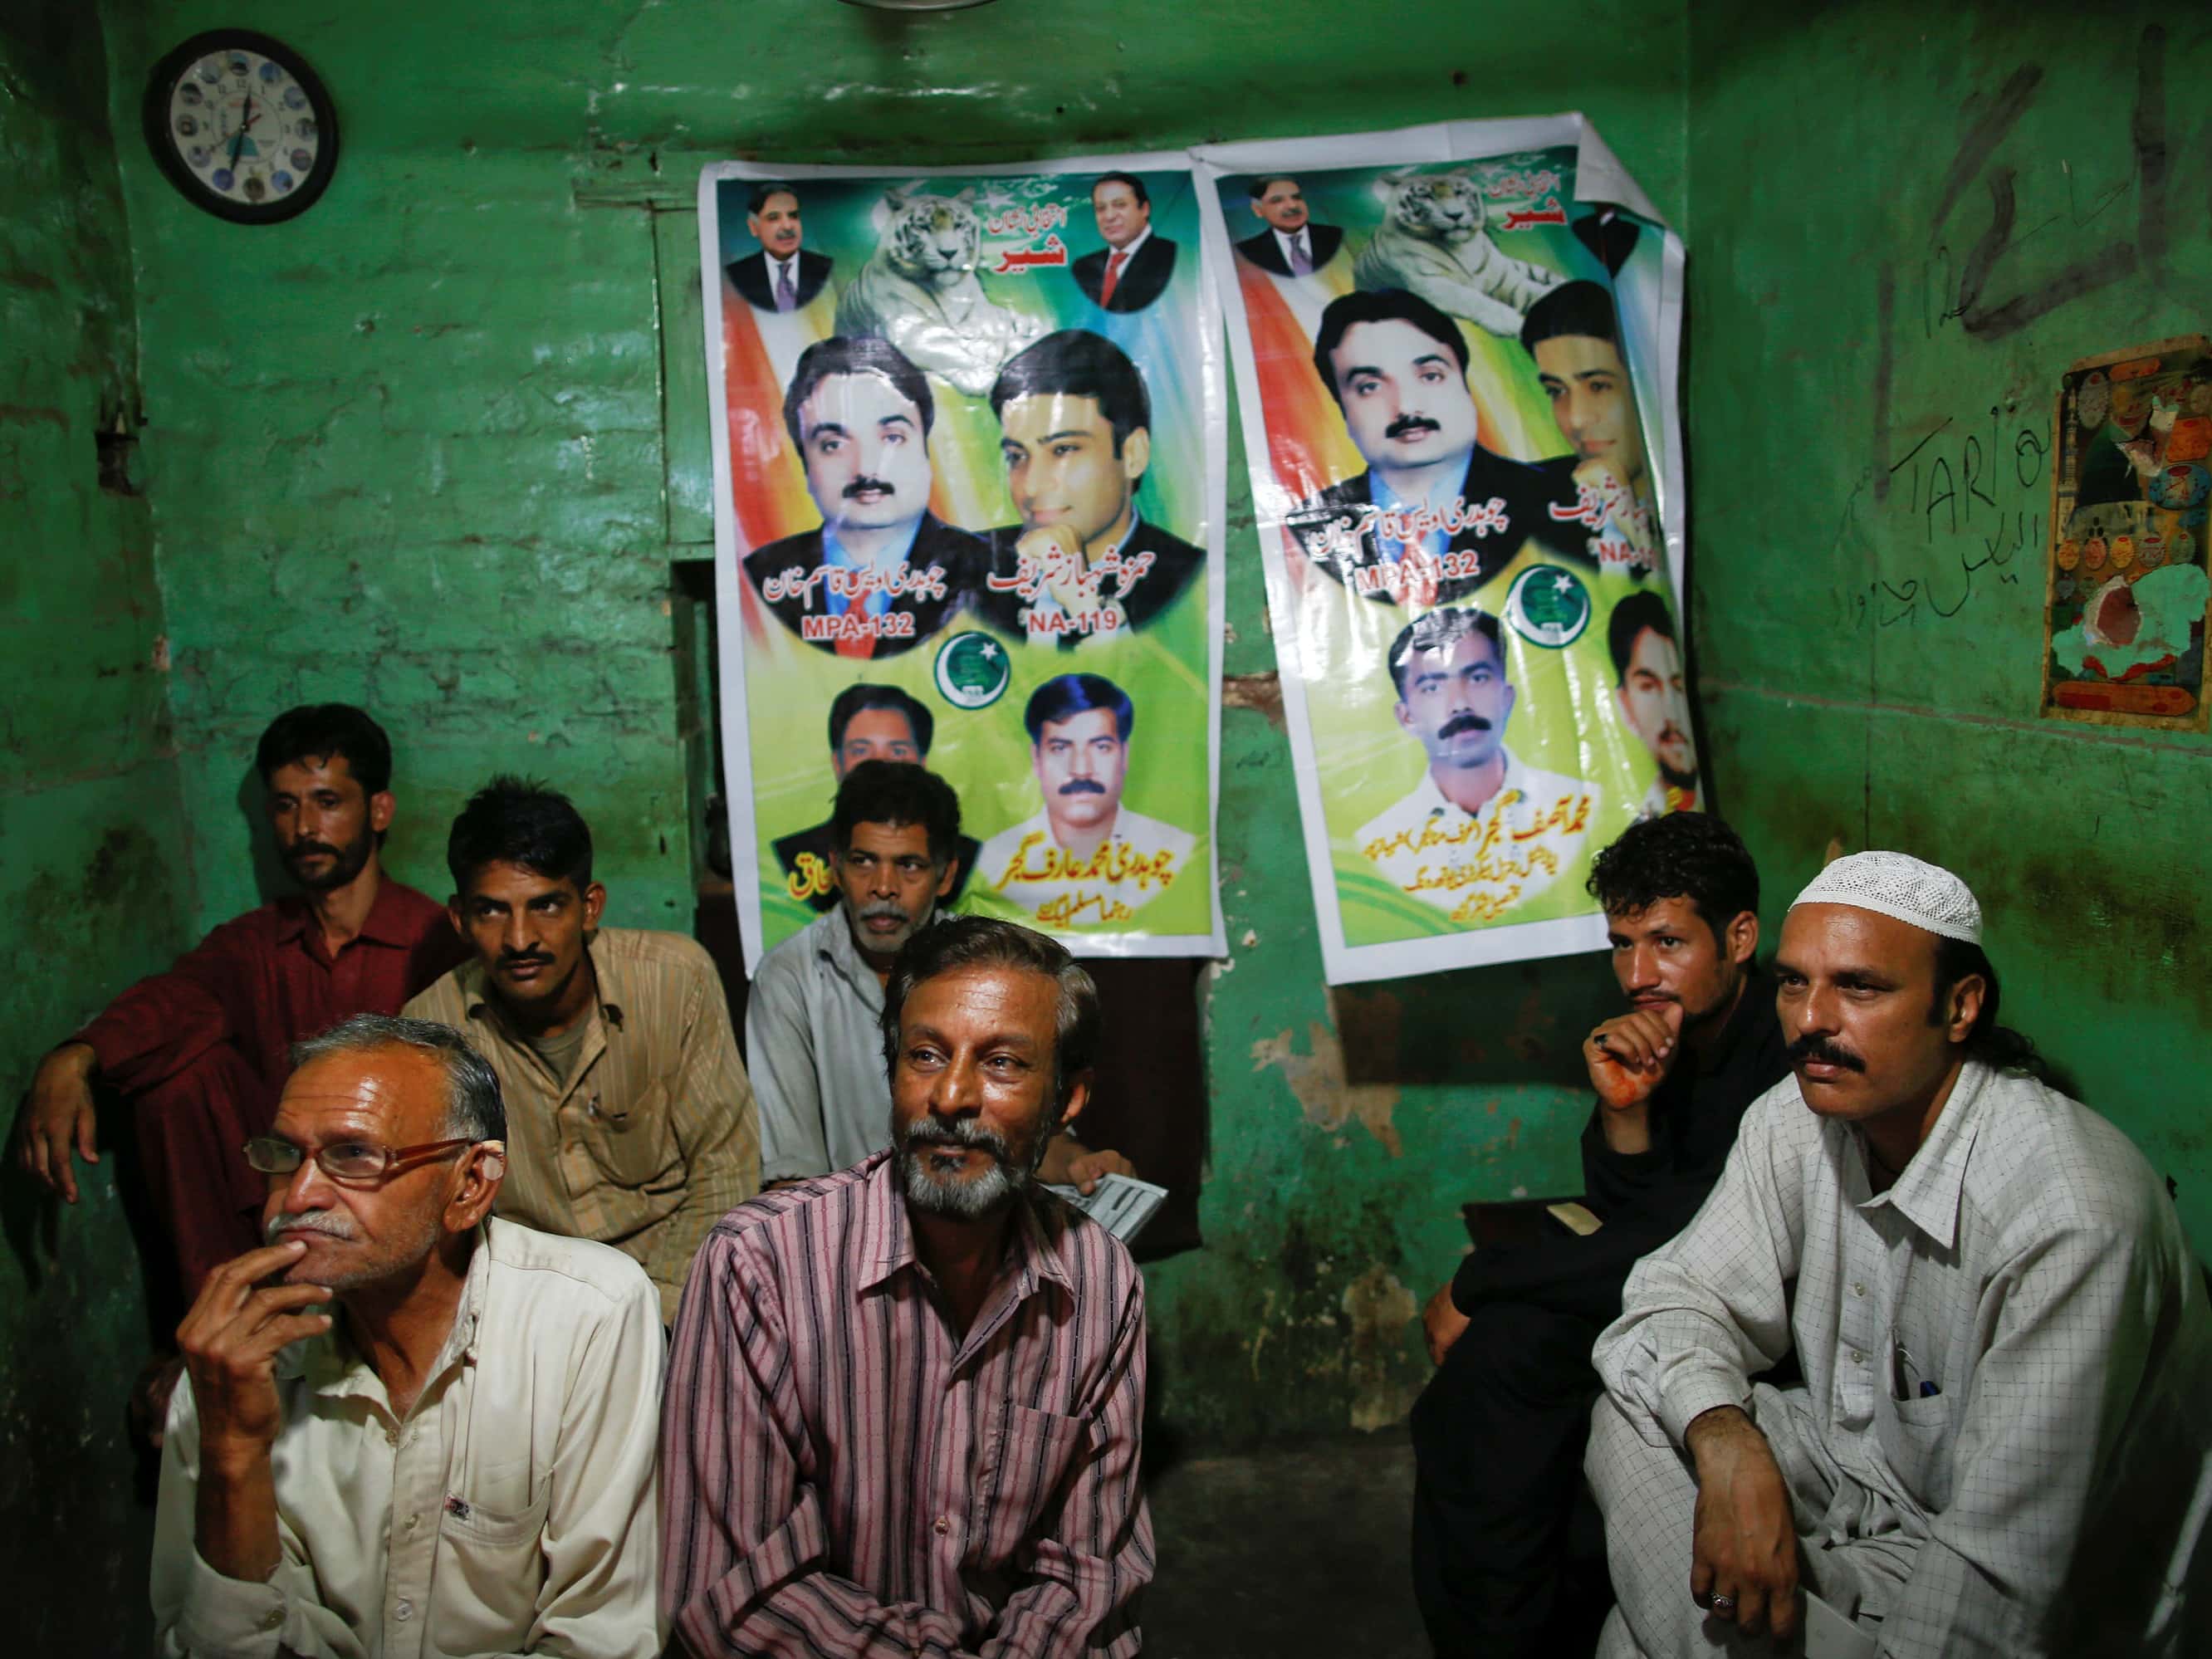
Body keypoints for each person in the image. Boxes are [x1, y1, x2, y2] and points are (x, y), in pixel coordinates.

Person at [1589, 852, 2212, 1657]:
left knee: (1633, 1640)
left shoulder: (2071, 1222)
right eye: (1792, 982)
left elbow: (1998, 1590)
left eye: (1859, 987)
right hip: (1853, 1480)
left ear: (1960, 1007)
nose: (1811, 1018)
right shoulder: (1799, 1114)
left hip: (2018, 1588)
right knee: (1634, 1405)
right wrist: (1724, 1439)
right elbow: (1671, 1302)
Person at [662, 916, 1152, 1657]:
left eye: (1003, 1064)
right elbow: (733, 1592)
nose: (951, 1095)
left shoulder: (1099, 1283)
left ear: (1068, 1101)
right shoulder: (759, 1267)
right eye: (925, 1055)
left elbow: (1089, 1575)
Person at [151, 1015, 663, 1658]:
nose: (299, 1195)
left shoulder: (588, 1316)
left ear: (471, 1184)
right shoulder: (231, 1369)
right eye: (285, 1155)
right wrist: (233, 1455)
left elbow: (602, 1640)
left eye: (354, 1155)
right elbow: (212, 1646)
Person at [1411, 814, 1786, 1659]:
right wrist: (1627, 1109)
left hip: (1748, 1310)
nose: (1638, 974)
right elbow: (1628, 1208)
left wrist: (1481, 1281)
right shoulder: (1670, 1032)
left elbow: (1686, 1238)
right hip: (1666, 1277)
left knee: (1502, 1351)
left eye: (1666, 942)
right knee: (1486, 1378)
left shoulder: (1785, 1052)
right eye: (1622, 944)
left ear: (1739, 937)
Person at [13, 703, 464, 1299]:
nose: (304, 827)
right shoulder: (254, 943)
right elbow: (175, 1002)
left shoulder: (434, 942)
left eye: (327, 802)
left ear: (379, 810)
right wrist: (77, 1054)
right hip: (273, 1210)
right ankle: (227, 1321)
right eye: (285, 805)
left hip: (390, 1205)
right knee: (178, 1078)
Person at [404, 778, 759, 1324]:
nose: (520, 939)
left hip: (677, 1297)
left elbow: (723, 1172)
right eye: (493, 911)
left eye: (545, 905)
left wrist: (653, 1318)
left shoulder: (674, 982)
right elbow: (445, 1218)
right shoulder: (433, 1032)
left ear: (589, 907)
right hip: (530, 1319)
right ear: (460, 919)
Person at [748, 760, 1133, 1192]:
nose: (884, 886)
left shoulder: (989, 971)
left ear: (946, 874)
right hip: (849, 1232)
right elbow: (791, 1177)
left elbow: (1035, 1140)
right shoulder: (790, 977)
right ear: (836, 867)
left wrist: (1081, 1165)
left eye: (909, 865)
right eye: (864, 862)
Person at [1285, 287, 1592, 608]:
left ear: (1465, 384)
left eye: (1430, 376)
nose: (1406, 407)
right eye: (1370, 387)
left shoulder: (1565, 497)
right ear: (1343, 408)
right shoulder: (1311, 530)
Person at [1354, 607, 1598, 927]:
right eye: (1432, 687)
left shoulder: (1583, 806)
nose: (1460, 704)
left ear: (1506, 697)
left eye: (1478, 678)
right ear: (1406, 717)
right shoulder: (1377, 846)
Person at [743, 335, 984, 658]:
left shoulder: (992, 571)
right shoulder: (759, 579)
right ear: (806, 466)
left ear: (926, 453)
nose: (866, 469)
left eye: (892, 438)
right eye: (833, 445)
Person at [978, 329, 1205, 646]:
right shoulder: (971, 567)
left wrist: (1083, 603)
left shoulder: (1192, 582)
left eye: (1063, 450)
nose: (1031, 485)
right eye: (1017, 456)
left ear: (1132, 454)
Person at [974, 673, 1196, 927]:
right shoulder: (992, 861)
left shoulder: (1176, 854)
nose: (1080, 769)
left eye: (1100, 747)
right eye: (1060, 748)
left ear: (1125, 755)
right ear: (1036, 758)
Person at [770, 683, 982, 913]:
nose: (879, 763)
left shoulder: (972, 854)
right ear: (837, 763)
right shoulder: (792, 852)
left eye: (897, 751)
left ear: (922, 762)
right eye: (861, 750)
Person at [1522, 279, 1657, 572]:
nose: (1577, 418)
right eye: (1556, 391)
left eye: (1598, 386)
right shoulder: (1531, 499)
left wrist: (1625, 512)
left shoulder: (1706, 484)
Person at [1609, 591, 1701, 815]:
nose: (1672, 713)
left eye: (1678, 687)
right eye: (1649, 687)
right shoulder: (1633, 827)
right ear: (1626, 706)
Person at [1070, 171, 1177, 314]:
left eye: (1120, 205)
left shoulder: (1171, 256)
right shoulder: (1083, 267)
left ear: (1145, 209)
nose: (1109, 216)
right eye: (1100, 208)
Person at [727, 182, 833, 313]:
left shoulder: (826, 269)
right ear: (754, 227)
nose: (788, 226)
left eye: (793, 216)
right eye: (774, 218)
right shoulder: (735, 276)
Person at [1235, 174, 1343, 276]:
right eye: (1277, 200)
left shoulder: (1337, 236)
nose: (1292, 205)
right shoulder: (1246, 251)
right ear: (1258, 210)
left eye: (1296, 197)